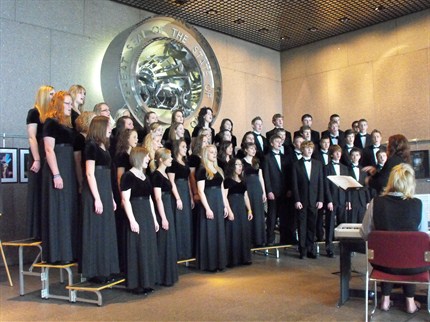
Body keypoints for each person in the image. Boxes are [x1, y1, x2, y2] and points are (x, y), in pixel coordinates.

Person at [360, 163, 425, 314]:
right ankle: (410, 302)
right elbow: (422, 239)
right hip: (412, 266)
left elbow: (364, 233)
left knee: (389, 254)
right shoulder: (418, 204)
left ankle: (385, 299)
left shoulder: (376, 202)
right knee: (410, 254)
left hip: (382, 265)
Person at [41, 90, 78, 264]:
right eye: (67, 103)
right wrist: (56, 174)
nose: (70, 107)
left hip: (68, 167)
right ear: (58, 104)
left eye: (71, 103)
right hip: (58, 168)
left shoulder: (68, 125)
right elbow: (49, 149)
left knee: (68, 208)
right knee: (59, 208)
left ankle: (69, 251)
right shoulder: (50, 123)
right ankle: (58, 252)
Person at [81, 116, 119, 283]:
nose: (110, 129)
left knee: (106, 230)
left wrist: (110, 197)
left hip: (104, 190)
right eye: (108, 126)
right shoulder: (90, 146)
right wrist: (97, 198)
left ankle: (107, 268)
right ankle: (95, 271)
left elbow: (108, 175)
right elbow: (90, 173)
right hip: (95, 192)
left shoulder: (105, 147)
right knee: (96, 230)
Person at [121, 147, 159, 294]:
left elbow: (149, 199)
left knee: (147, 247)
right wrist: (132, 220)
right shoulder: (128, 176)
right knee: (137, 247)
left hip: (147, 214)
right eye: (146, 157)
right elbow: (125, 199)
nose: (149, 159)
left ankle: (148, 281)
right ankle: (137, 283)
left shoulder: (145, 177)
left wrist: (154, 219)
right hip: (136, 212)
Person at [26, 85, 54, 239]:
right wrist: (36, 158)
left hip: (47, 151)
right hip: (38, 152)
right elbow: (32, 137)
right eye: (51, 94)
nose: (53, 97)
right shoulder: (34, 113)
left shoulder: (50, 116)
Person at [195, 145, 229, 272]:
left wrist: (225, 205)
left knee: (218, 232)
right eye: (211, 152)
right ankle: (209, 264)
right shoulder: (202, 170)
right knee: (209, 232)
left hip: (218, 202)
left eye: (215, 152)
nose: (214, 154)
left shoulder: (218, 169)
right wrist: (208, 208)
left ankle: (219, 262)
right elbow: (200, 191)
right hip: (208, 203)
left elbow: (222, 189)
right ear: (205, 154)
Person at [292, 140, 324, 259]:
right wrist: (297, 200)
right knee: (302, 226)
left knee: (312, 225)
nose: (309, 150)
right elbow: (294, 184)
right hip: (302, 200)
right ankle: (302, 250)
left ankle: (311, 249)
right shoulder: (296, 164)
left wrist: (320, 199)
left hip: (314, 200)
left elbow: (321, 183)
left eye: (311, 148)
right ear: (302, 150)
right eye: (307, 148)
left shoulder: (318, 164)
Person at [152, 148, 178, 286]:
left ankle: (168, 274)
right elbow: (157, 198)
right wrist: (163, 217)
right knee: (163, 241)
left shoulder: (165, 173)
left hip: (167, 206)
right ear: (161, 159)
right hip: (162, 209)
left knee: (168, 240)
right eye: (169, 157)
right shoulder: (156, 175)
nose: (171, 159)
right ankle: (161, 275)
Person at [114, 128, 139, 273]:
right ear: (126, 139)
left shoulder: (136, 154)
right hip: (127, 194)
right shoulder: (122, 156)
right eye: (134, 137)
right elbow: (119, 177)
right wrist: (123, 197)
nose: (136, 139)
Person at [167, 139, 194, 261]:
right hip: (177, 191)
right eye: (183, 147)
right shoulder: (172, 163)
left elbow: (188, 181)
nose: (186, 149)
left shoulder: (185, 162)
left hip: (185, 192)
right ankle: (179, 251)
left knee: (186, 221)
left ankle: (186, 250)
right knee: (179, 220)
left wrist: (191, 196)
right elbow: (171, 181)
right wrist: (178, 198)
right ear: (177, 148)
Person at [224, 158, 253, 267]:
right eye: (237, 165)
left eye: (241, 165)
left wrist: (249, 209)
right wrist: (229, 211)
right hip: (232, 206)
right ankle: (231, 260)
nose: (240, 167)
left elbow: (246, 196)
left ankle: (244, 258)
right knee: (232, 233)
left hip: (241, 208)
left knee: (242, 232)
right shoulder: (227, 180)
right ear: (232, 166)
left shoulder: (243, 180)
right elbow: (224, 197)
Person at [323, 145, 349, 256]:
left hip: (342, 199)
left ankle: (344, 247)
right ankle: (329, 248)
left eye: (339, 152)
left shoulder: (344, 168)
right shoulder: (326, 167)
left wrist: (348, 200)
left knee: (343, 224)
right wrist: (329, 200)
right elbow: (326, 185)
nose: (338, 154)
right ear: (332, 154)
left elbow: (347, 185)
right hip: (332, 200)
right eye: (336, 152)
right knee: (330, 224)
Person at [263, 135, 288, 246]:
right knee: (272, 216)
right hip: (273, 191)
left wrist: (289, 189)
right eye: (277, 141)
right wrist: (269, 191)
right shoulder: (267, 157)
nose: (279, 143)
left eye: (280, 141)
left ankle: (284, 238)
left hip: (284, 191)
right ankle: (270, 239)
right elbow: (266, 175)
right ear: (272, 143)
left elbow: (287, 175)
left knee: (283, 216)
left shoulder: (284, 157)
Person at [242, 142, 267, 247]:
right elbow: (241, 176)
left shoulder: (256, 161)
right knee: (249, 211)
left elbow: (261, 177)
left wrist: (264, 192)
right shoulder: (242, 161)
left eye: (254, 149)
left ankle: (259, 239)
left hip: (257, 188)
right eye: (251, 149)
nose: (253, 151)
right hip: (248, 187)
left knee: (258, 212)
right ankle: (249, 239)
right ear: (246, 150)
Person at [347, 148, 370, 223]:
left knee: (362, 222)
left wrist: (368, 201)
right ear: (350, 157)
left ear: (359, 157)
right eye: (353, 155)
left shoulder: (363, 170)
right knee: (352, 221)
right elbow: (346, 187)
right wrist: (348, 200)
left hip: (362, 199)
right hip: (352, 198)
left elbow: (366, 186)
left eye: (357, 155)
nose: (355, 157)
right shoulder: (346, 169)